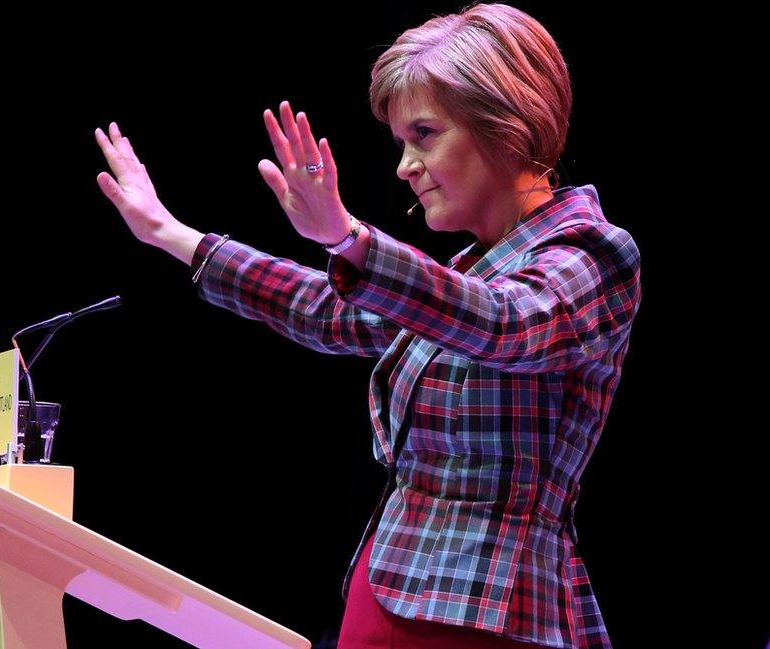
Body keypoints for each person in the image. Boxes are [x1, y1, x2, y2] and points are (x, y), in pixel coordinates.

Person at [93, 4, 640, 648]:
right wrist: (171, 234)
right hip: (387, 596)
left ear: (506, 128)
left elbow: (506, 326)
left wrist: (348, 237)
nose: (405, 164)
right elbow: (327, 309)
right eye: (401, 142)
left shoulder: (594, 253)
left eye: (425, 133)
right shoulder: (470, 273)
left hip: (488, 614)